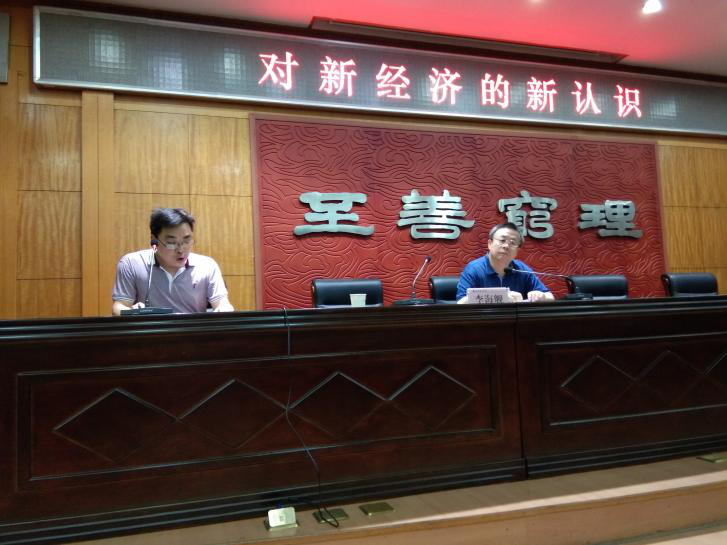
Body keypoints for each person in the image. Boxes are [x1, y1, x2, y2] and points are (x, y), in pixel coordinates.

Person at [112, 208, 234, 315]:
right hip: (151, 332)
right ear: (154, 240)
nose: (181, 250)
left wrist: (224, 310)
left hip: (193, 332)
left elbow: (223, 304)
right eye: (171, 243)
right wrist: (132, 312)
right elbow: (119, 306)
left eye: (187, 241)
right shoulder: (132, 264)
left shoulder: (207, 266)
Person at [456, 222, 555, 303]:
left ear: (517, 250)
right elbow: (461, 302)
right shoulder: (474, 269)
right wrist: (502, 296)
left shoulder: (521, 269)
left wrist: (541, 296)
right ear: (490, 244)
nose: (506, 246)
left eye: (512, 243)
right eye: (502, 240)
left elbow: (550, 297)